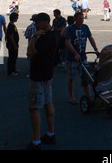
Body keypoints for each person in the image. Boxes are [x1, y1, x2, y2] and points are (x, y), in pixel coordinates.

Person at [26, 12, 59, 150]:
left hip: (38, 74)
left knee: (34, 108)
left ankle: (36, 141)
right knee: (48, 102)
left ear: (45, 22)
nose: (34, 24)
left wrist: (34, 37)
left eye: (36, 22)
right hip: (48, 73)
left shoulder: (43, 37)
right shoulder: (54, 34)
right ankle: (50, 133)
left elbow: (30, 53)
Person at [65, 11, 99, 105]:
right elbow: (67, 42)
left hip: (83, 56)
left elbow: (90, 38)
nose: (81, 21)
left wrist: (96, 49)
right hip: (72, 57)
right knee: (71, 78)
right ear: (75, 20)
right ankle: (71, 96)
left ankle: (88, 95)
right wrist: (75, 53)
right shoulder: (70, 29)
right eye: (79, 19)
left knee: (85, 76)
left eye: (82, 19)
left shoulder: (85, 27)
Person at [6, 11, 19, 76]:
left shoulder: (12, 25)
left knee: (14, 57)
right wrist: (14, 45)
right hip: (12, 45)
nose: (17, 19)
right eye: (17, 17)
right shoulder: (11, 26)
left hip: (13, 44)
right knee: (12, 57)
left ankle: (13, 69)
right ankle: (10, 71)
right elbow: (11, 36)